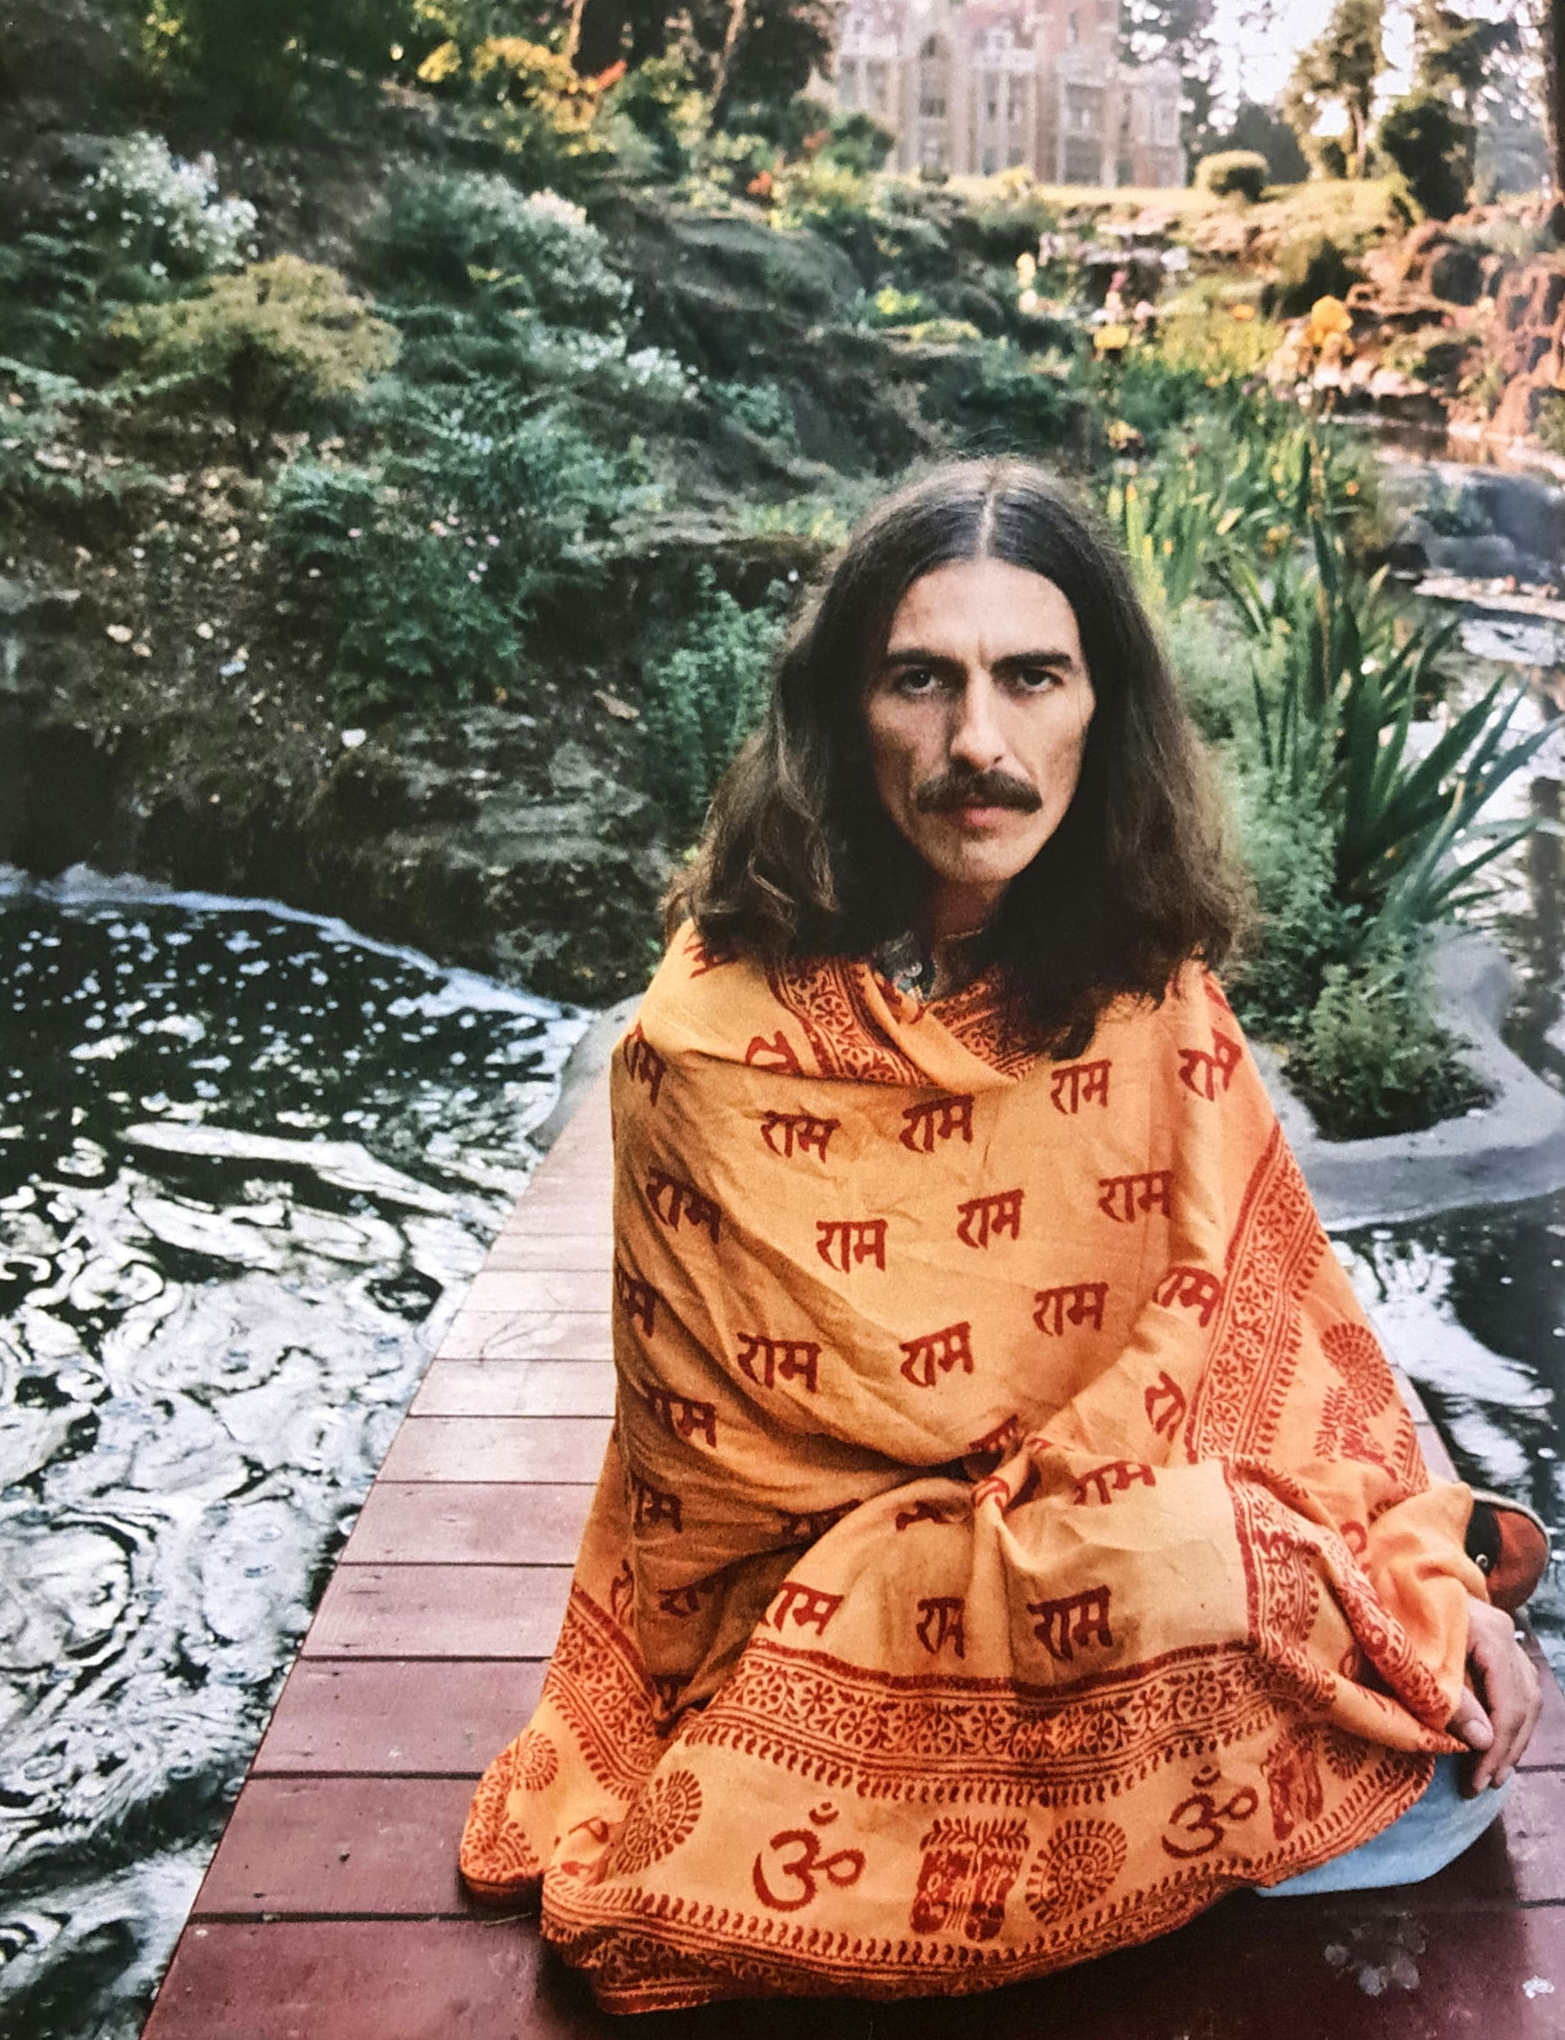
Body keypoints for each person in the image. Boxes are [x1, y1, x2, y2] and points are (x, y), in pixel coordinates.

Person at [459, 460, 1543, 2013]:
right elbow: (731, 1502)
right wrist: (1211, 1561)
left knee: (1407, 1709)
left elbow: (1272, 1342)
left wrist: (1401, 1573)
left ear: (1105, 712)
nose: (980, 741)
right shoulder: (704, 1047)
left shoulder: (1148, 993)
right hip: (830, 1612)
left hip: (1114, 1552)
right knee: (1282, 1636)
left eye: (1033, 677)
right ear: (844, 714)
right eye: (922, 680)